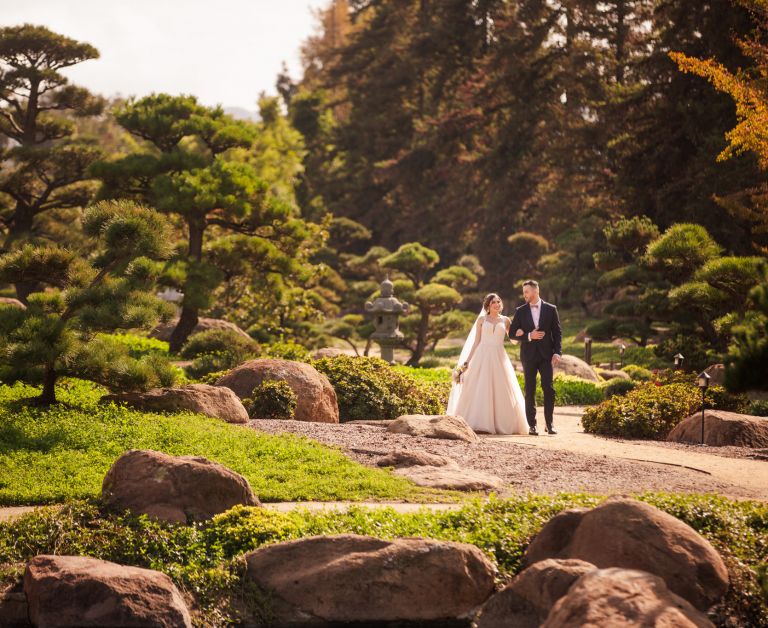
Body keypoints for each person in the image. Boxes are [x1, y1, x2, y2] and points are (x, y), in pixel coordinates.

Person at [446, 293, 528, 434]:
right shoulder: (482, 320)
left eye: (498, 301)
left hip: (499, 356)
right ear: (488, 306)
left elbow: (513, 341)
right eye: (493, 302)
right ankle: (476, 421)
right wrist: (467, 362)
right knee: (480, 387)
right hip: (482, 355)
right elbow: (476, 342)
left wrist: (520, 333)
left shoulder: (506, 320)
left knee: (501, 388)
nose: (497, 304)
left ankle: (501, 423)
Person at [509, 280, 562, 435]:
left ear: (536, 291)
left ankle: (549, 423)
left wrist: (557, 352)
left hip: (547, 356)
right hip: (529, 356)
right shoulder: (520, 311)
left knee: (549, 389)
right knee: (530, 390)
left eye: (526, 291)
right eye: (524, 292)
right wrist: (528, 336)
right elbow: (512, 333)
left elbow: (557, 333)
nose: (524, 294)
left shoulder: (551, 309)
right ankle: (532, 425)